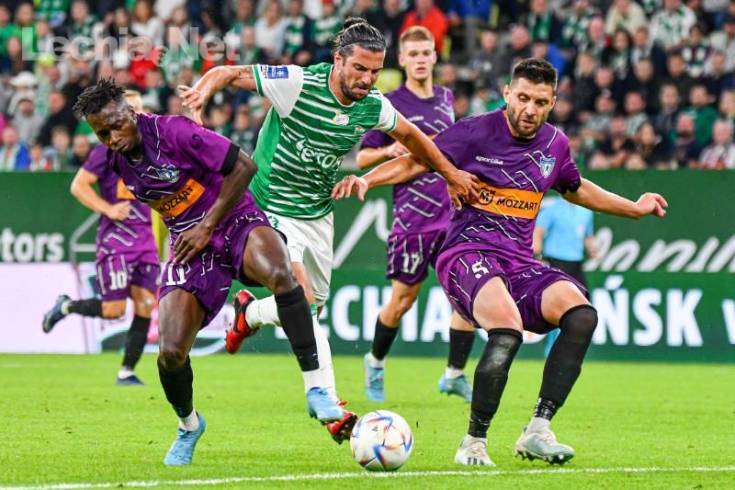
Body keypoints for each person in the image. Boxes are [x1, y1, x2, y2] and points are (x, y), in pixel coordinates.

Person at [332, 58, 667, 466]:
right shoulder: (475, 132)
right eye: (522, 97)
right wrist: (367, 178)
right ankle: (473, 443)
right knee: (506, 329)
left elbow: (575, 188)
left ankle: (538, 430)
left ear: (553, 102)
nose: (529, 109)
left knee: (581, 315)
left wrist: (633, 207)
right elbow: (418, 159)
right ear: (507, 93)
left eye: (540, 102)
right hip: (466, 252)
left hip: (518, 262)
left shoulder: (555, 144)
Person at [178, 18, 479, 442]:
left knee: (309, 308)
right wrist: (202, 92)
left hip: (317, 213)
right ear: (338, 60)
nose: (367, 79)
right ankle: (326, 399)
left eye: (375, 72)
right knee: (299, 294)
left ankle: (251, 313)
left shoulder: (373, 105)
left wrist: (450, 173)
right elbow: (229, 72)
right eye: (360, 69)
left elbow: (413, 137)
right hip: (269, 205)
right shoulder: (297, 83)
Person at [72, 78, 346, 466]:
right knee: (170, 353)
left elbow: (245, 166)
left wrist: (206, 226)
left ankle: (317, 389)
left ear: (132, 112)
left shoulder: (174, 131)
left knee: (283, 277)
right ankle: (188, 425)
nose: (112, 138)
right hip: (190, 246)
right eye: (103, 134)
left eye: (116, 125)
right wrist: (185, 236)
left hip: (234, 219)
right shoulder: (114, 160)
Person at [356, 26, 475, 403]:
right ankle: (375, 361)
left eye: (427, 53)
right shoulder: (390, 102)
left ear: (435, 57)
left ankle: (454, 374)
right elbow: (362, 157)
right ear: (403, 60)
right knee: (403, 301)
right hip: (412, 219)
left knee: (470, 294)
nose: (421, 60)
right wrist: (386, 152)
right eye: (414, 54)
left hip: (452, 215)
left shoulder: (446, 98)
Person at [42, 91, 159, 386]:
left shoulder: (153, 146)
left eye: (140, 108)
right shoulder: (107, 148)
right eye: (131, 109)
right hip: (117, 241)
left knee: (145, 303)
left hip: (145, 240)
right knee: (113, 310)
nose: (136, 114)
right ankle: (66, 306)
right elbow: (78, 185)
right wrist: (108, 208)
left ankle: (126, 371)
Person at [533, 197, 596, 357]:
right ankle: (551, 349)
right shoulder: (552, 208)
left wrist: (592, 249)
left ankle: (571, 350)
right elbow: (538, 232)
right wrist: (539, 257)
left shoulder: (586, 211)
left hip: (575, 263)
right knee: (557, 307)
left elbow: (587, 235)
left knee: (584, 306)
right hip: (556, 262)